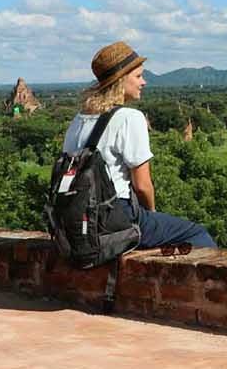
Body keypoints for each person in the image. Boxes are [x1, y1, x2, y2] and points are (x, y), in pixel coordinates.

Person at [61, 41, 216, 250]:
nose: (143, 82)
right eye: (138, 76)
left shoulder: (78, 119)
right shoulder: (129, 118)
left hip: (78, 219)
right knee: (197, 234)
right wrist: (151, 214)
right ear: (120, 80)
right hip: (114, 215)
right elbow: (142, 185)